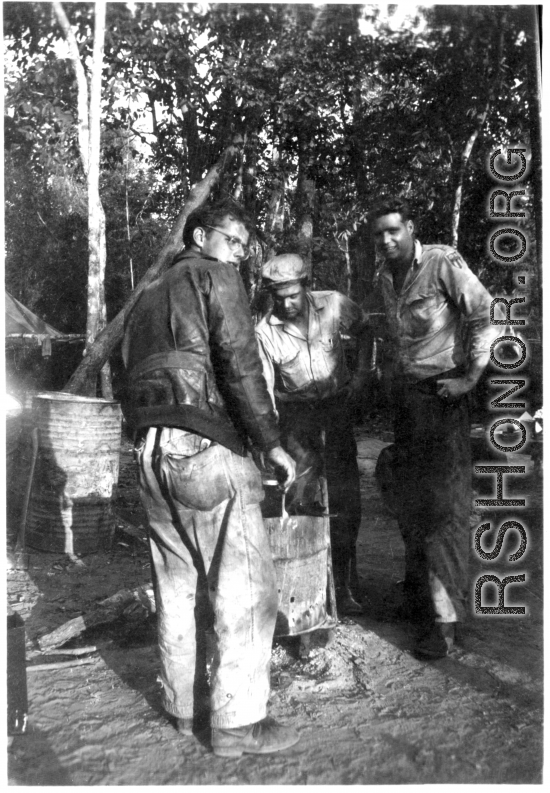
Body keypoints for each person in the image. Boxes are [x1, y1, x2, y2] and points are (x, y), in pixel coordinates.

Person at [121, 200, 300, 758]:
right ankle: (237, 725)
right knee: (246, 590)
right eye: (235, 241)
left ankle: (182, 709)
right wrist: (270, 442)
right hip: (203, 446)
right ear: (202, 236)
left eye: (245, 247)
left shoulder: (145, 295)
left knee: (176, 588)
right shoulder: (212, 275)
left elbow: (123, 373)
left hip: (149, 454)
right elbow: (240, 362)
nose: (241, 255)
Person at [369, 196, 498, 659]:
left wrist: (469, 379)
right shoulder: (384, 275)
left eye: (393, 231)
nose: (386, 240)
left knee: (445, 509)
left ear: (410, 229)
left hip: (444, 395)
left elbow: (484, 314)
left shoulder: (442, 262)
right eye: (379, 234)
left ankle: (445, 623)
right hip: (409, 400)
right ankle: (421, 604)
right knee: (412, 503)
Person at [255, 254, 373, 616]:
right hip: (297, 418)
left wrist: (363, 373)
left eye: (292, 294)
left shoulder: (334, 304)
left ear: (306, 286)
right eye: (279, 297)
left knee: (345, 499)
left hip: (336, 410)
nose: (287, 303)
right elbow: (266, 387)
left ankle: (346, 584)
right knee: (301, 499)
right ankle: (307, 593)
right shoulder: (264, 331)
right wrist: (272, 443)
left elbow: (366, 329)